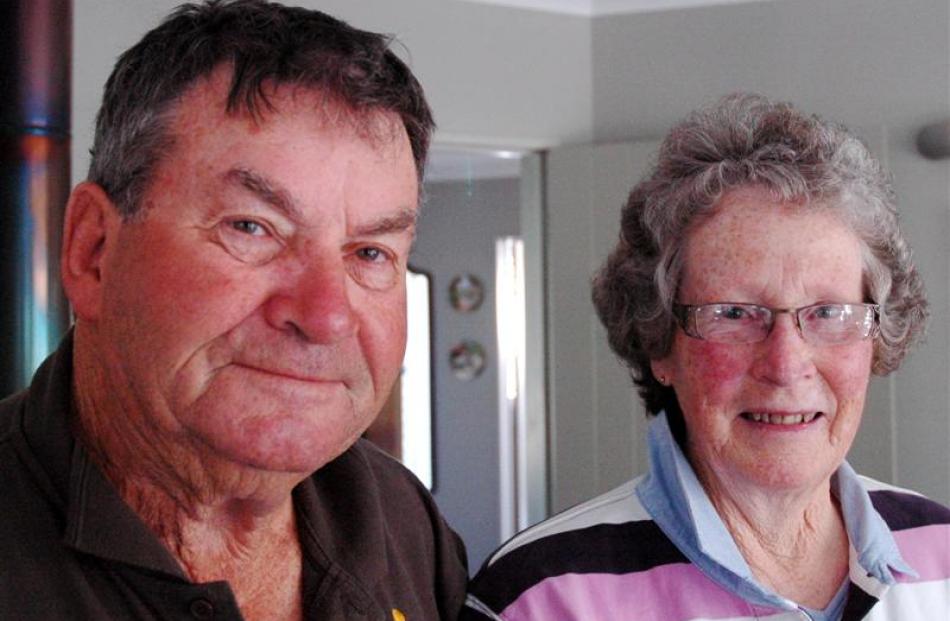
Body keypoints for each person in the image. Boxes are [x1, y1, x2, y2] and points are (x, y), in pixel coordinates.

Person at [0, 1, 468, 619]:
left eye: (371, 253)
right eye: (252, 227)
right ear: (94, 251)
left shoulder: (400, 519)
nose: (326, 316)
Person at [462, 94, 950, 620]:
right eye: (735, 314)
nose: (786, 364)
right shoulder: (541, 597)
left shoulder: (941, 550)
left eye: (828, 313)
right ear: (659, 343)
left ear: (877, 334)